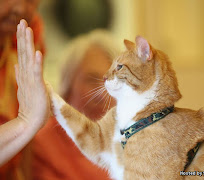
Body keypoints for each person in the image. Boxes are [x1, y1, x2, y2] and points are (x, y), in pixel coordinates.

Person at [31, 30, 119, 180]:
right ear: (67, 87)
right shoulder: (44, 144)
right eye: (92, 80)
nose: (102, 94)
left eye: (114, 82)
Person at [0, 0, 45, 178]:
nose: (21, 9)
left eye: (32, 1)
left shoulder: (28, 30)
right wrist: (25, 123)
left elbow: (31, 111)